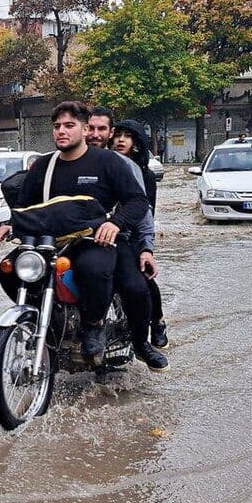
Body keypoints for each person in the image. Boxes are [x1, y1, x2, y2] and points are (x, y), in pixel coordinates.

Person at [0, 102, 162, 370]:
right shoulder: (43, 166)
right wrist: (10, 224)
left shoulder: (109, 162)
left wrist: (117, 224)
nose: (61, 131)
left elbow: (137, 202)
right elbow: (25, 206)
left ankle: (102, 327)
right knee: (8, 269)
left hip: (95, 240)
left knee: (114, 277)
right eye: (57, 126)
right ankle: (47, 320)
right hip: (51, 241)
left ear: (84, 129)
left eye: (69, 125)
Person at [112, 120, 170, 351]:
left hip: (133, 231)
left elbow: (146, 211)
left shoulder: (144, 175)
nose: (121, 140)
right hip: (108, 230)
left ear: (136, 143)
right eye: (118, 135)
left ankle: (157, 321)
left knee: (144, 277)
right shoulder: (106, 164)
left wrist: (144, 245)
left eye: (127, 136)